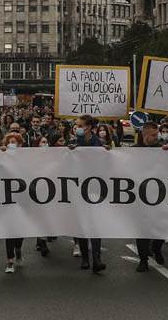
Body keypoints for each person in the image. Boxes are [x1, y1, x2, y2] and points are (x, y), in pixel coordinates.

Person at [69, 115, 105, 273]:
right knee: (82, 224)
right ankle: (85, 258)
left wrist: (107, 153)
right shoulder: (74, 143)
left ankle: (97, 258)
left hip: (95, 188)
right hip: (78, 188)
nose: (77, 128)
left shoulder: (99, 143)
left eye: (80, 125)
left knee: (95, 224)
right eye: (76, 126)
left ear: (89, 127)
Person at [134, 122, 168, 272]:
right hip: (140, 196)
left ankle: (156, 247)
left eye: (157, 134)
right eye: (153, 135)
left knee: (160, 226)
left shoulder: (162, 149)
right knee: (142, 229)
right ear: (144, 135)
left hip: (159, 195)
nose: (157, 137)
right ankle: (143, 260)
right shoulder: (134, 151)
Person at [0, 132, 26, 273]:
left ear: (20, 144)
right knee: (9, 229)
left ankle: (18, 249)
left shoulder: (26, 157)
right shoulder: (1, 155)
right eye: (10, 142)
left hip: (22, 197)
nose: (12, 144)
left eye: (15, 142)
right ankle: (10, 261)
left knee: (20, 228)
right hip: (7, 196)